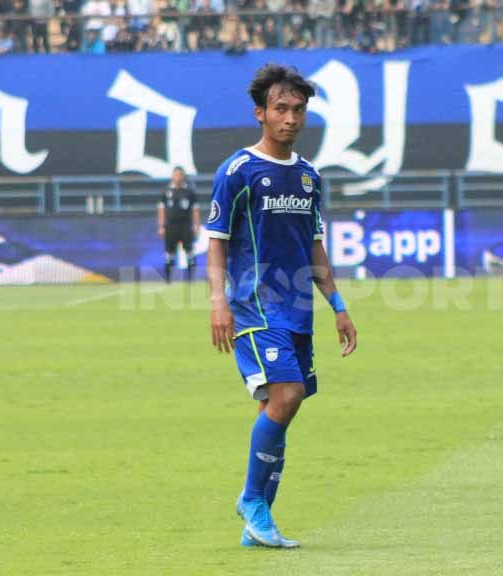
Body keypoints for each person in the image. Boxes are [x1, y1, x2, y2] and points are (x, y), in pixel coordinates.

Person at [206, 64, 358, 549]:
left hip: (297, 311)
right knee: (286, 395)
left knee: (284, 407)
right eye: (280, 109)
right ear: (261, 113)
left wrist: (337, 304)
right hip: (253, 305)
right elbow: (217, 241)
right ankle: (252, 500)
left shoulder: (309, 178)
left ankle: (259, 524)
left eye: (298, 110)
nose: (290, 118)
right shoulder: (238, 171)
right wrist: (217, 303)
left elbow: (315, 247)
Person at [157, 166, 199, 283]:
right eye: (176, 174)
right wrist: (161, 226)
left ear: (183, 176)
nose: (178, 177)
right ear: (172, 176)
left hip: (185, 226)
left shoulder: (189, 192)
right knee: (169, 253)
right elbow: (161, 209)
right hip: (170, 226)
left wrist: (196, 226)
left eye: (180, 174)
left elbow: (195, 209)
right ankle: (168, 279)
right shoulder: (166, 191)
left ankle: (191, 279)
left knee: (189, 252)